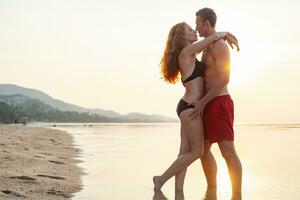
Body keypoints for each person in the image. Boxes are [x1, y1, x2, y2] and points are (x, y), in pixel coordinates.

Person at [153, 21, 239, 195]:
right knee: (197, 152)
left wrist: (223, 35)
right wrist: (225, 33)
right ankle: (160, 179)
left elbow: (210, 41)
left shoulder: (190, 53)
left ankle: (179, 192)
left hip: (188, 106)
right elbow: (212, 37)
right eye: (190, 30)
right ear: (182, 38)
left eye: (194, 28)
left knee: (184, 152)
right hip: (190, 108)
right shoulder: (186, 52)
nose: (194, 31)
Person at [188, 8, 243, 200]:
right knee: (202, 150)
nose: (195, 27)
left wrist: (202, 102)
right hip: (206, 104)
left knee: (227, 150)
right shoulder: (206, 46)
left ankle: (237, 195)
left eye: (197, 23)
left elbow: (224, 78)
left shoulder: (219, 46)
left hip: (219, 102)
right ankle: (211, 192)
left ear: (206, 23)